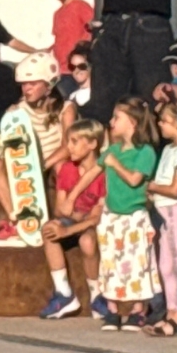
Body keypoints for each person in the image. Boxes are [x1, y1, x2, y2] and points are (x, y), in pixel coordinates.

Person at [0, 52, 75, 247]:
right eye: (24, 84)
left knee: (62, 166)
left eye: (32, 83)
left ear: (49, 86)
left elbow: (69, 145)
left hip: (50, 163)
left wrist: (41, 165)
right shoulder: (18, 110)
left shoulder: (66, 108)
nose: (26, 88)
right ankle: (16, 221)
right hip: (25, 166)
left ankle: (61, 221)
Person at [97, 97, 161, 332]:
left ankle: (138, 309)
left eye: (117, 118)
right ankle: (112, 310)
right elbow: (94, 171)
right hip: (112, 215)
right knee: (109, 260)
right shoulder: (112, 150)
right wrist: (73, 194)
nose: (112, 122)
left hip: (133, 215)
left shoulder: (145, 152)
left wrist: (116, 165)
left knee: (137, 262)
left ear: (132, 122)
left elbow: (135, 179)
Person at [39, 120, 108, 319]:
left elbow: (96, 216)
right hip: (74, 219)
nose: (68, 147)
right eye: (68, 141)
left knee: (87, 242)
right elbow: (61, 210)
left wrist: (71, 227)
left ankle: (97, 296)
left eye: (74, 142)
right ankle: (64, 294)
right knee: (49, 229)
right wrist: (69, 218)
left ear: (93, 144)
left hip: (92, 223)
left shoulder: (104, 172)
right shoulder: (68, 169)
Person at [145, 103, 177, 336]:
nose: (159, 124)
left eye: (164, 121)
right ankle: (170, 309)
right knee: (165, 264)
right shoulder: (167, 150)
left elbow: (176, 189)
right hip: (162, 212)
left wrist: (151, 186)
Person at [48, 0, 95, 69]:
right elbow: (61, 41)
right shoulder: (57, 14)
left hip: (75, 70)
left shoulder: (80, 6)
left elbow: (94, 33)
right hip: (60, 71)